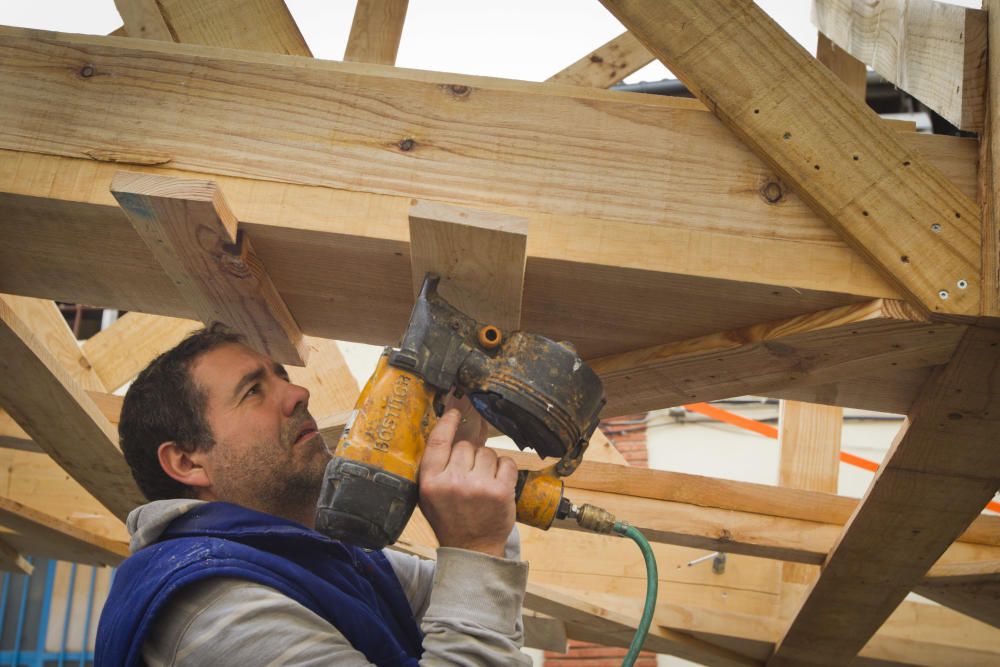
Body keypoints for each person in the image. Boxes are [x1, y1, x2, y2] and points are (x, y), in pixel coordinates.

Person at [95, 324, 531, 666]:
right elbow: (477, 598)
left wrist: (463, 459)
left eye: (281, 376)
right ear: (187, 463)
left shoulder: (327, 558)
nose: (298, 393)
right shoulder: (210, 609)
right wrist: (475, 547)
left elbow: (483, 610)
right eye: (253, 391)